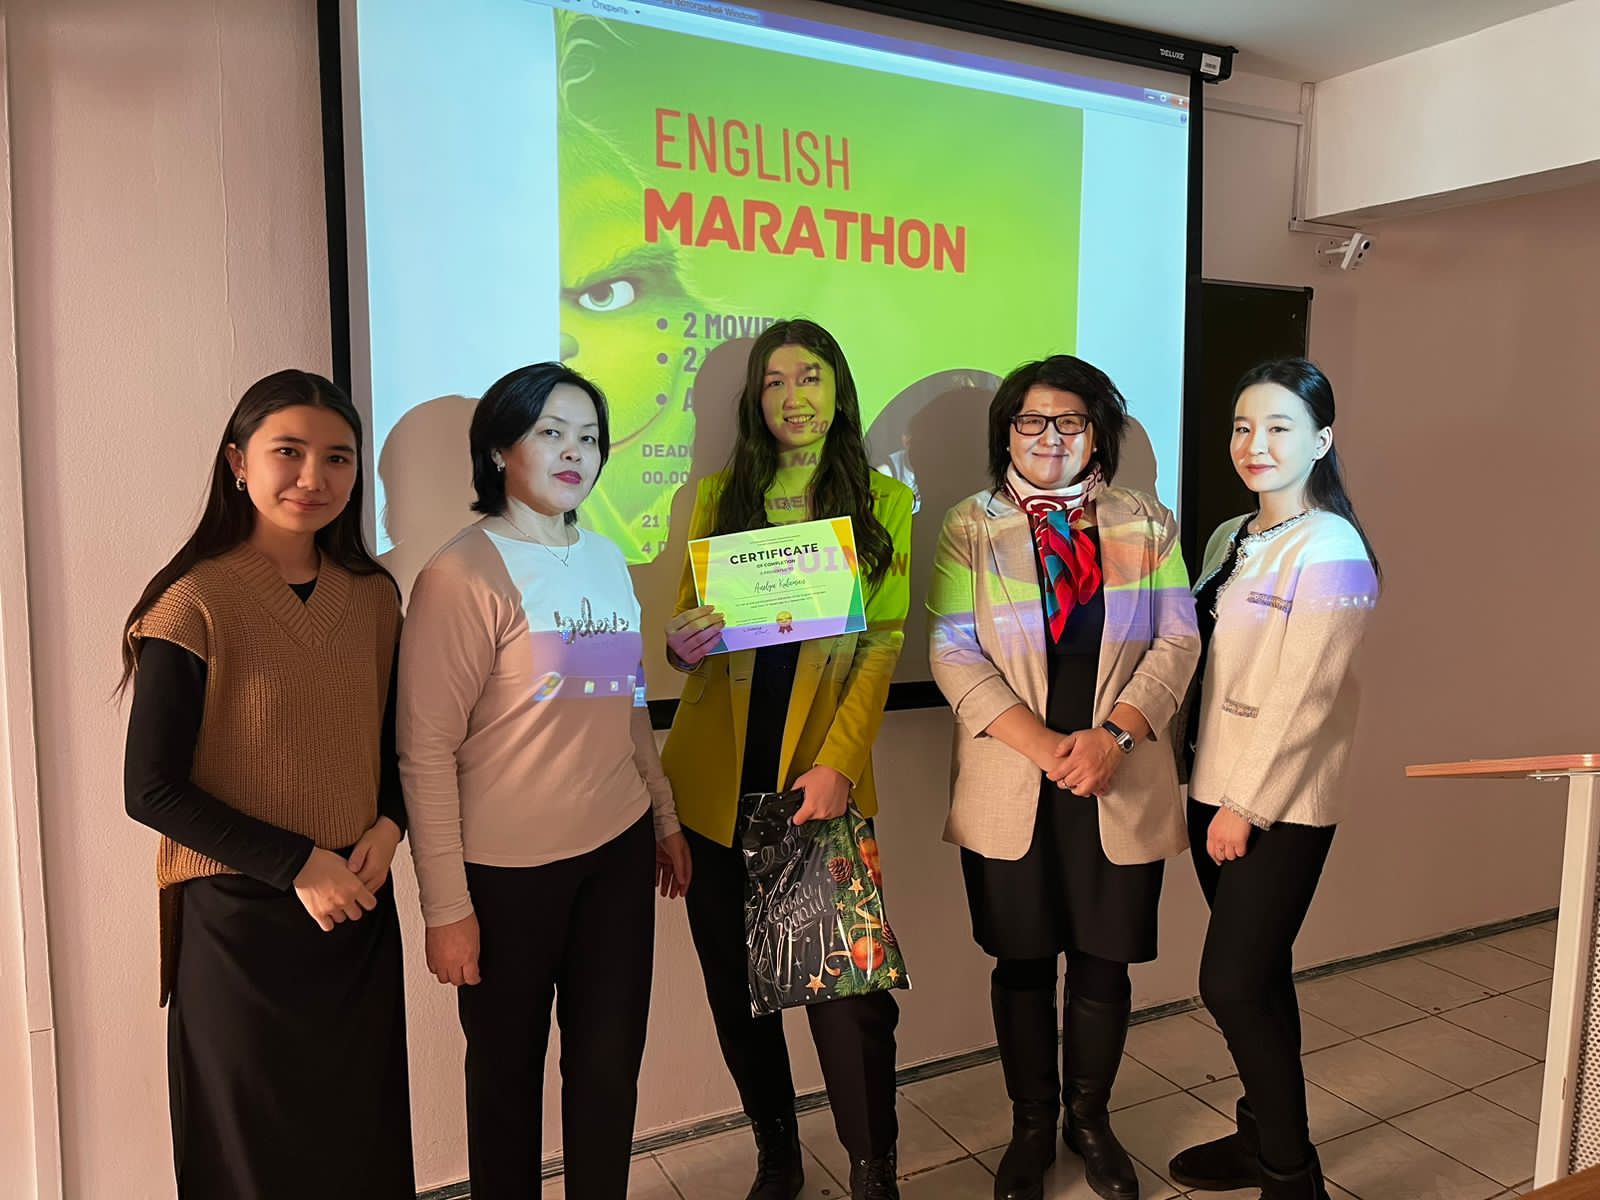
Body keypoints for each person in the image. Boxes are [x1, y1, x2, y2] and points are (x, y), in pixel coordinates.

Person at [397, 362, 691, 1200]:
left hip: (616, 857)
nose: (574, 452)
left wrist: (663, 817)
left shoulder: (604, 558)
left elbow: (625, 703)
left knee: (607, 1073)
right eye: (550, 432)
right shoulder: (461, 575)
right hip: (505, 878)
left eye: (588, 437)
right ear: (499, 449)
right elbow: (425, 752)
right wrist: (446, 908)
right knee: (505, 1083)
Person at [120, 369, 414, 1199]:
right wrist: (298, 864)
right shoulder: (193, 603)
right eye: (288, 451)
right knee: (251, 1156)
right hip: (237, 925)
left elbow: (394, 746)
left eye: (338, 458)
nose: (313, 477)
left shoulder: (374, 598)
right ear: (238, 463)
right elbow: (150, 790)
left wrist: (388, 828)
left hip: (356, 909)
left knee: (361, 1141)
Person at [927, 355, 1199, 1200]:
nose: (1050, 438)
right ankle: (1031, 1127)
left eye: (1070, 421)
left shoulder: (1147, 523)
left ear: (1097, 433)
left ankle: (1091, 1120)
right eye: (1031, 422)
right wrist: (1048, 749)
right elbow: (952, 651)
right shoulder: (968, 526)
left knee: (1103, 964)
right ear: (1007, 433)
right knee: (1020, 964)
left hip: (1119, 773)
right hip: (1014, 776)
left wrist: (1114, 737)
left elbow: (1179, 640)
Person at [660, 319, 914, 1200]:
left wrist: (839, 763)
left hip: (818, 785)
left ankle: (873, 1171)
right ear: (754, 399)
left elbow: (881, 646)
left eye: (809, 377)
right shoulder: (716, 496)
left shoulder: (883, 502)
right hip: (715, 787)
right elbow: (687, 637)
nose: (792, 396)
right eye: (774, 381)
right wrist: (681, 645)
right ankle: (779, 1154)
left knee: (849, 1001)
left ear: (838, 390)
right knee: (737, 992)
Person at [1167, 359, 1380, 1200]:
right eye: (1242, 427)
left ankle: (1293, 1179)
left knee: (1229, 982)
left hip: (1275, 805)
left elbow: (1305, 699)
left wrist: (1245, 807)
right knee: (1258, 978)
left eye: (1280, 428)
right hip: (1208, 786)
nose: (1254, 444)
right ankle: (1263, 1136)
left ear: (1321, 441)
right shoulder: (1231, 534)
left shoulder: (1331, 548)